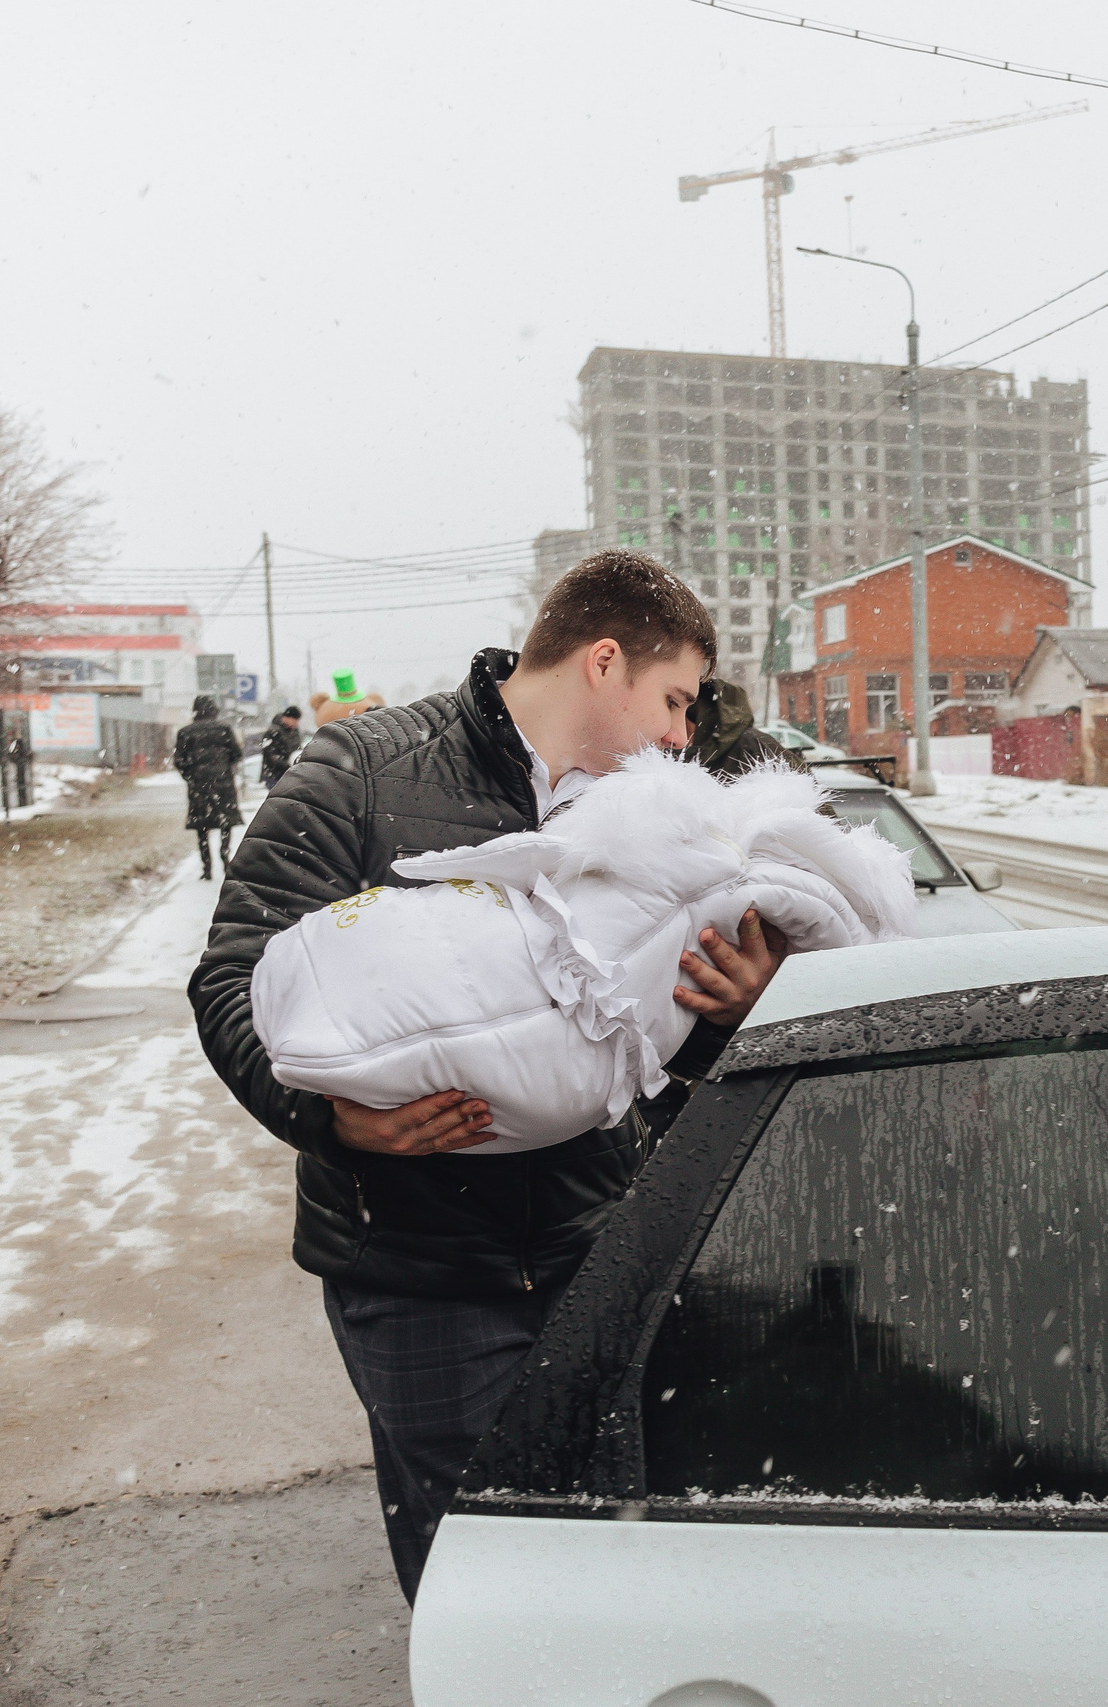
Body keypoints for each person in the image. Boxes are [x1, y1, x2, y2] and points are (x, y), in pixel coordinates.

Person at [189, 551, 792, 1602]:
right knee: (477, 1569)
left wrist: (733, 1007)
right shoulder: (361, 774)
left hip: (597, 1248)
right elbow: (233, 975)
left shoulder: (647, 819)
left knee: (608, 1552)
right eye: (674, 701)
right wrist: (327, 1121)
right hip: (418, 1271)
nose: (682, 737)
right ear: (603, 662)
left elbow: (643, 1039)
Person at [172, 695, 245, 881]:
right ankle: (225, 855)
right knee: (225, 823)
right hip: (223, 785)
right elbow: (236, 754)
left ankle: (207, 866)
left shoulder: (185, 733)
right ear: (214, 710)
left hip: (199, 786)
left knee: (201, 827)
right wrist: (225, 769)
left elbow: (179, 761)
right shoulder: (224, 729)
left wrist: (191, 777)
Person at [257, 704, 305, 787]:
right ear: (287, 718)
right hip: (274, 774)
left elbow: (297, 749)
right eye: (295, 720)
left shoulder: (295, 732)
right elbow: (270, 755)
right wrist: (287, 764)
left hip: (290, 774)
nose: (296, 723)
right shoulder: (273, 731)